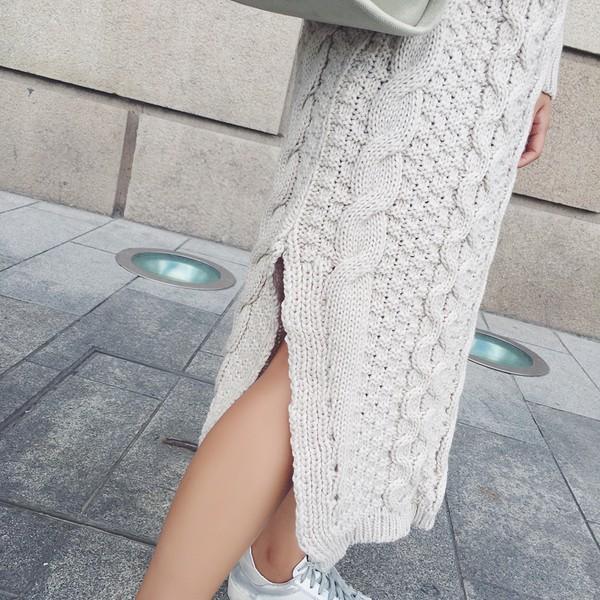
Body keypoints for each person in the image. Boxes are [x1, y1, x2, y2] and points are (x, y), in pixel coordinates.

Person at [136, 0, 568, 598]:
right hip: (440, 45)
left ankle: (274, 567)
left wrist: (541, 69)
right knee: (323, 344)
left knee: (383, 348)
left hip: (498, 55)